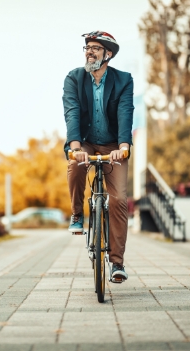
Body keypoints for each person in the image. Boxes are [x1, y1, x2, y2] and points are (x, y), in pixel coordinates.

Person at [62, 31, 134, 280]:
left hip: (114, 144)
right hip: (86, 142)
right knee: (76, 165)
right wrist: (76, 147)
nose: (89, 51)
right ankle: (77, 214)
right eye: (87, 47)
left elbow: (126, 112)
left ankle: (117, 264)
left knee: (118, 200)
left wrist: (123, 146)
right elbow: (71, 111)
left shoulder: (123, 80)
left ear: (108, 54)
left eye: (95, 48)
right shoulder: (74, 78)